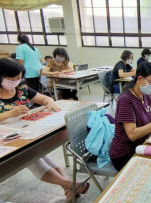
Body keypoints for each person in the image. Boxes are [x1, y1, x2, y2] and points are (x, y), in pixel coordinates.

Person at [0, 58, 89, 202]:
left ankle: (68, 188)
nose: (17, 81)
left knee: (40, 155)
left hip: (28, 132)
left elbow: (45, 99)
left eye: (19, 77)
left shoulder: (22, 89)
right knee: (31, 160)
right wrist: (9, 114)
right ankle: (70, 185)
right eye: (13, 79)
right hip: (8, 140)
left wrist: (50, 104)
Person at [109, 62, 151, 171]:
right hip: (125, 153)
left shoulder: (144, 95)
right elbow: (132, 134)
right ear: (140, 79)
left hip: (142, 144)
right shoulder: (126, 100)